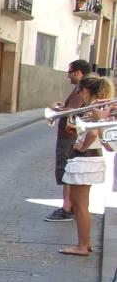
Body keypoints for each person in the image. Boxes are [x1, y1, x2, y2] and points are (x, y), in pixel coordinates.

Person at [58, 75, 114, 256]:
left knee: (80, 205)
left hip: (86, 159)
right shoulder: (95, 107)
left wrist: (80, 146)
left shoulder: (98, 107)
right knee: (79, 203)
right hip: (87, 159)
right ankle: (85, 243)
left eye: (80, 90)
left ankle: (83, 245)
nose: (78, 93)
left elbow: (94, 132)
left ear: (88, 90)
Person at [45, 60, 92, 222]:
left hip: (70, 135)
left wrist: (56, 109)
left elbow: (74, 111)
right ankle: (69, 206)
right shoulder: (82, 88)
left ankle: (67, 208)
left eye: (70, 72)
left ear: (78, 73)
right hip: (71, 134)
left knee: (67, 171)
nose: (68, 76)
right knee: (68, 171)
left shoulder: (81, 89)